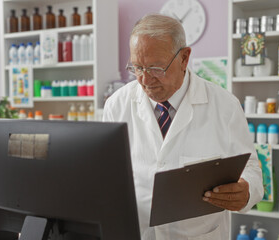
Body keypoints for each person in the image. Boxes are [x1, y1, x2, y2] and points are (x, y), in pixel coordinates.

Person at [103, 14, 263, 240]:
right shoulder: (116, 105)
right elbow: (108, 175)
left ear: (184, 58)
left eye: (156, 68)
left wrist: (246, 191)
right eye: (137, 68)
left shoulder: (225, 106)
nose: (145, 80)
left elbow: (251, 168)